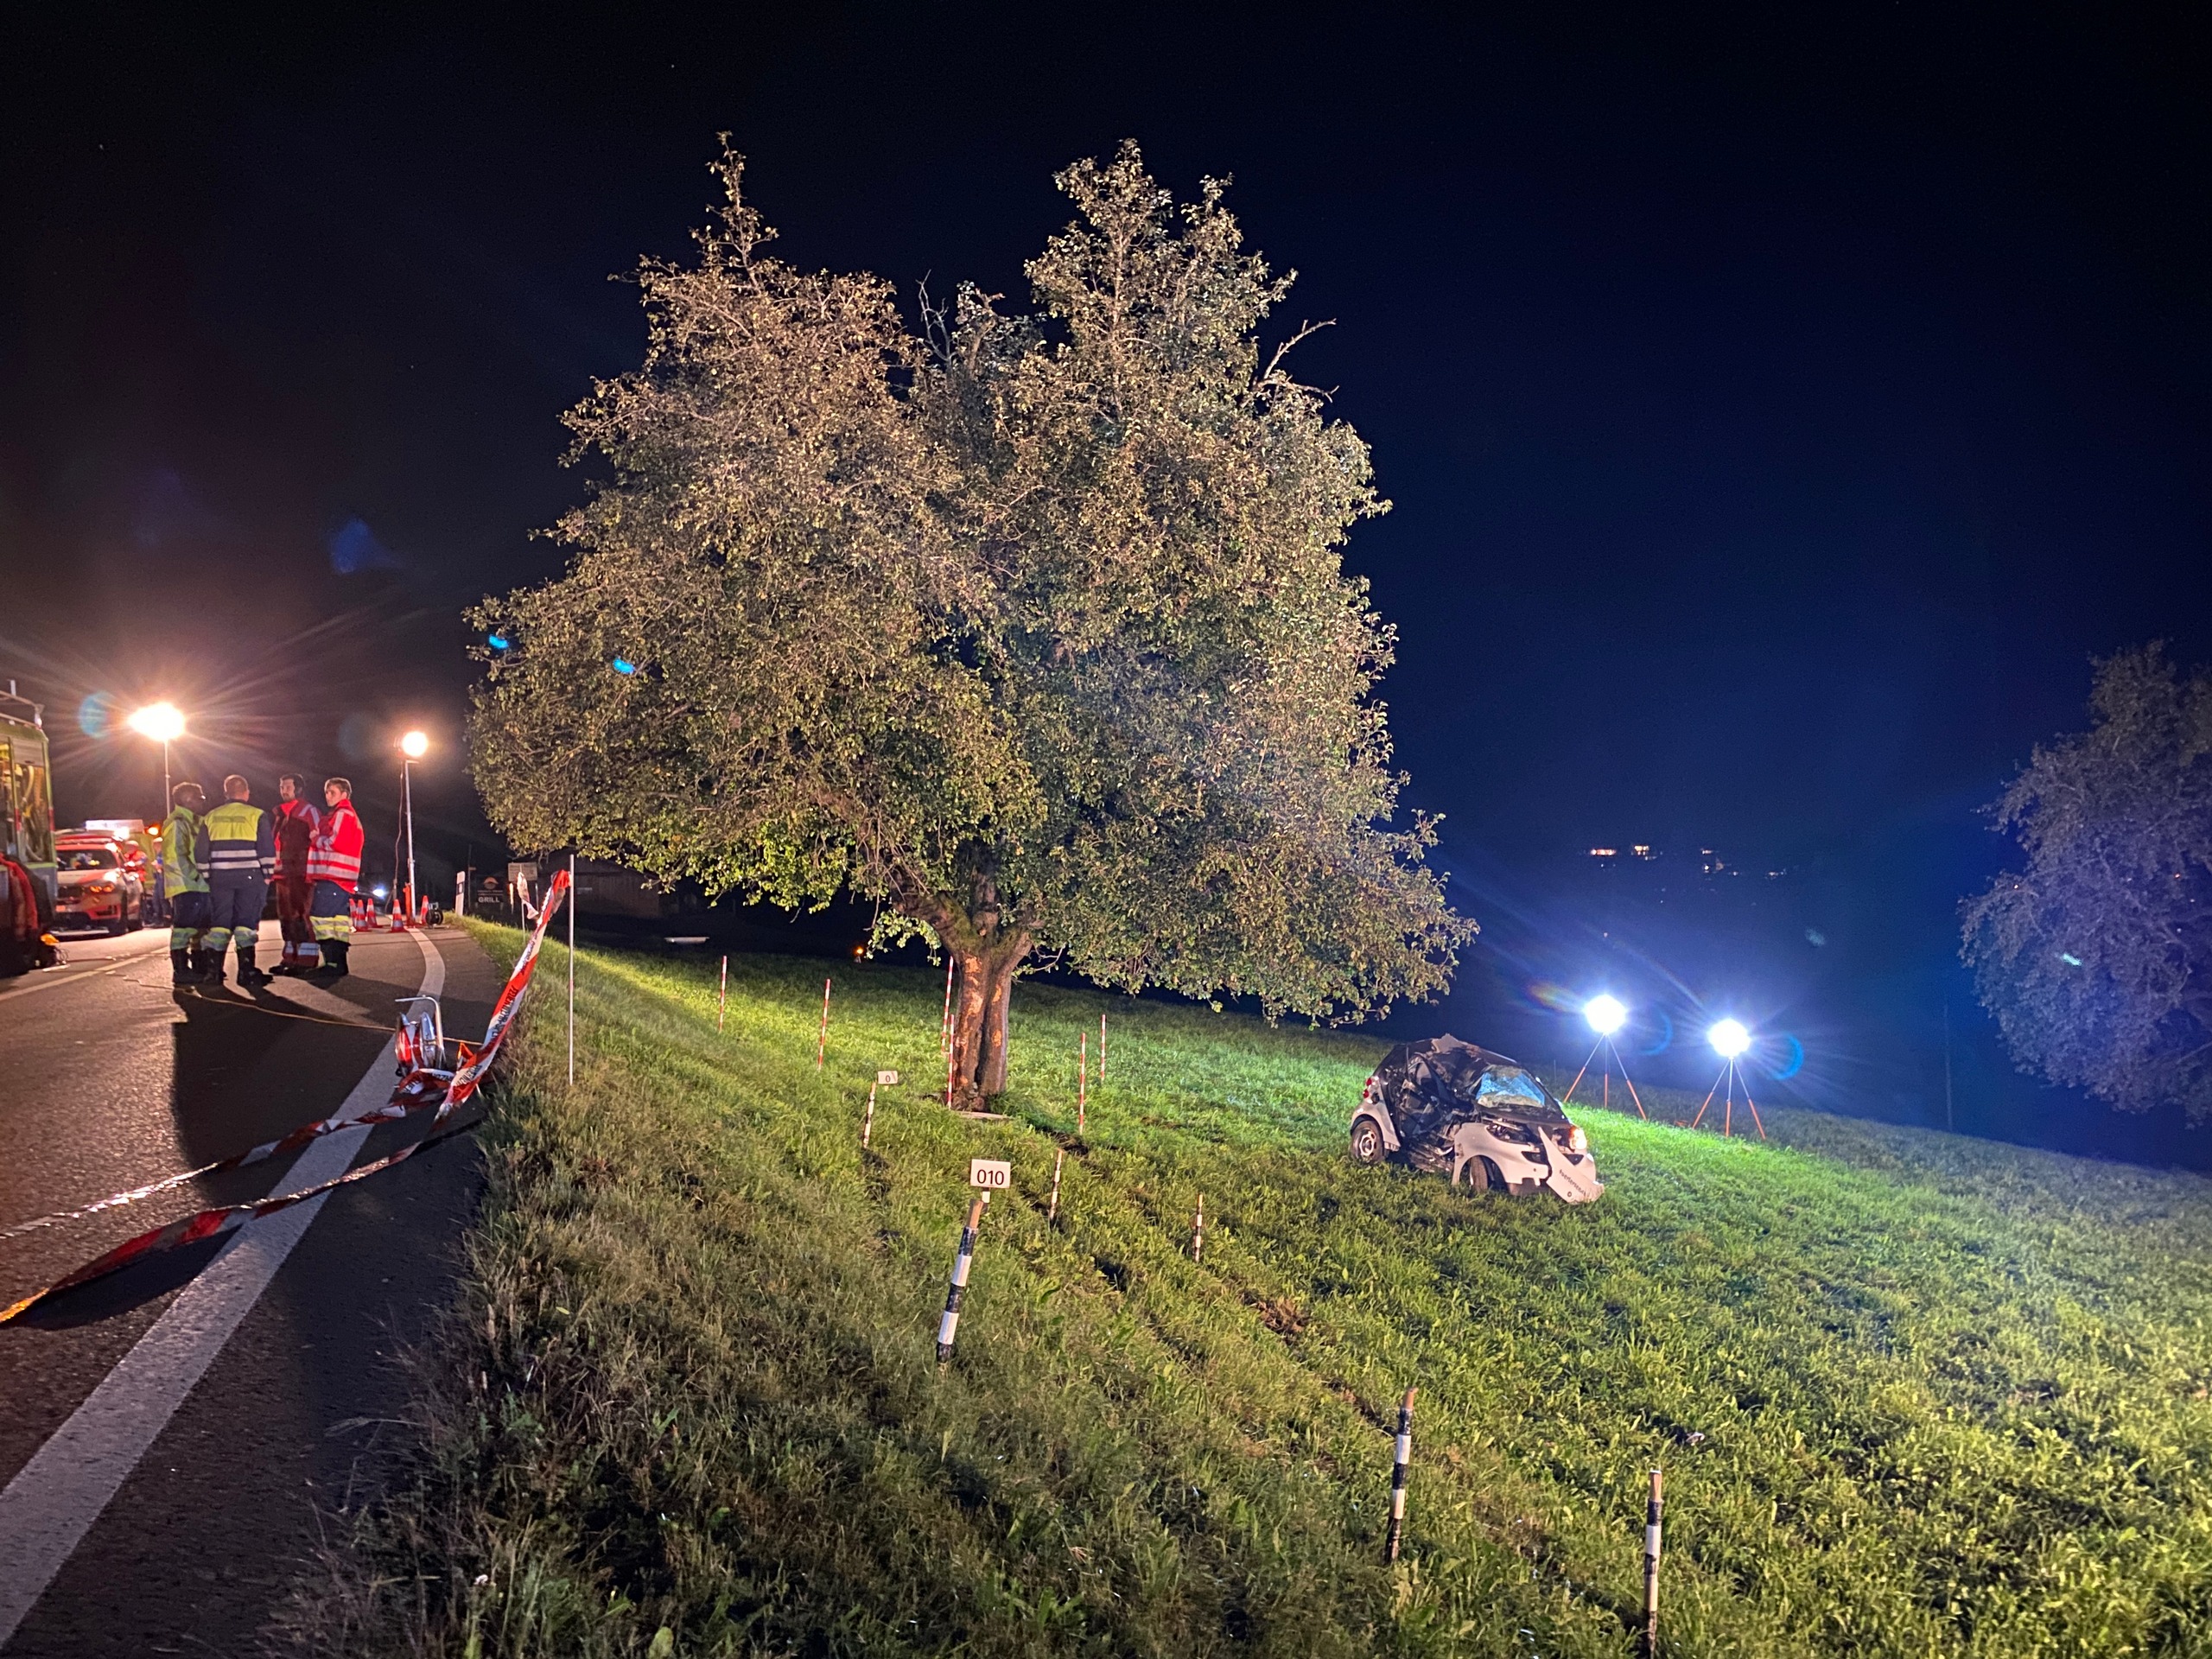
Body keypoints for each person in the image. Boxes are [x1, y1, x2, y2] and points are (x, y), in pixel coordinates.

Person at [196, 773, 275, 988]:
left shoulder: (211, 816)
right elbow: (266, 848)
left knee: (220, 923)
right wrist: (267, 875)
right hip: (250, 877)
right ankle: (247, 972)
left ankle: (214, 972)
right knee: (246, 923)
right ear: (246, 793)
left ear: (226, 793)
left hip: (220, 877)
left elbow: (201, 851)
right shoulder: (257, 815)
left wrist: (207, 874)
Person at [307, 776, 364, 978]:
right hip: (340, 877)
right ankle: (338, 962)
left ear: (344, 795)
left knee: (320, 916)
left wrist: (316, 839)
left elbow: (334, 841)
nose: (328, 796)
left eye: (332, 792)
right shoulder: (344, 815)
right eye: (326, 792)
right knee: (338, 919)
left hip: (333, 874)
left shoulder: (342, 814)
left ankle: (332, 961)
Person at [270, 773, 321, 975]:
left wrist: (312, 868)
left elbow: (318, 840)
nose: (283, 790)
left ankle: (306, 960)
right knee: (285, 916)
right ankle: (290, 958)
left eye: (287, 787)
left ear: (298, 789)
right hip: (283, 873)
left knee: (302, 915)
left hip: (301, 872)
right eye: (281, 786)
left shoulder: (309, 811)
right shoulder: (280, 814)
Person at [162, 781, 211, 985]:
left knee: (200, 928)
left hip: (197, 885)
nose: (202, 802)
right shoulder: (177, 822)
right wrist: (198, 876)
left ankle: (200, 968)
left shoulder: (194, 821)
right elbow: (176, 856)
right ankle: (181, 971)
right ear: (188, 799)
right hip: (186, 886)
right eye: (199, 798)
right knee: (183, 929)